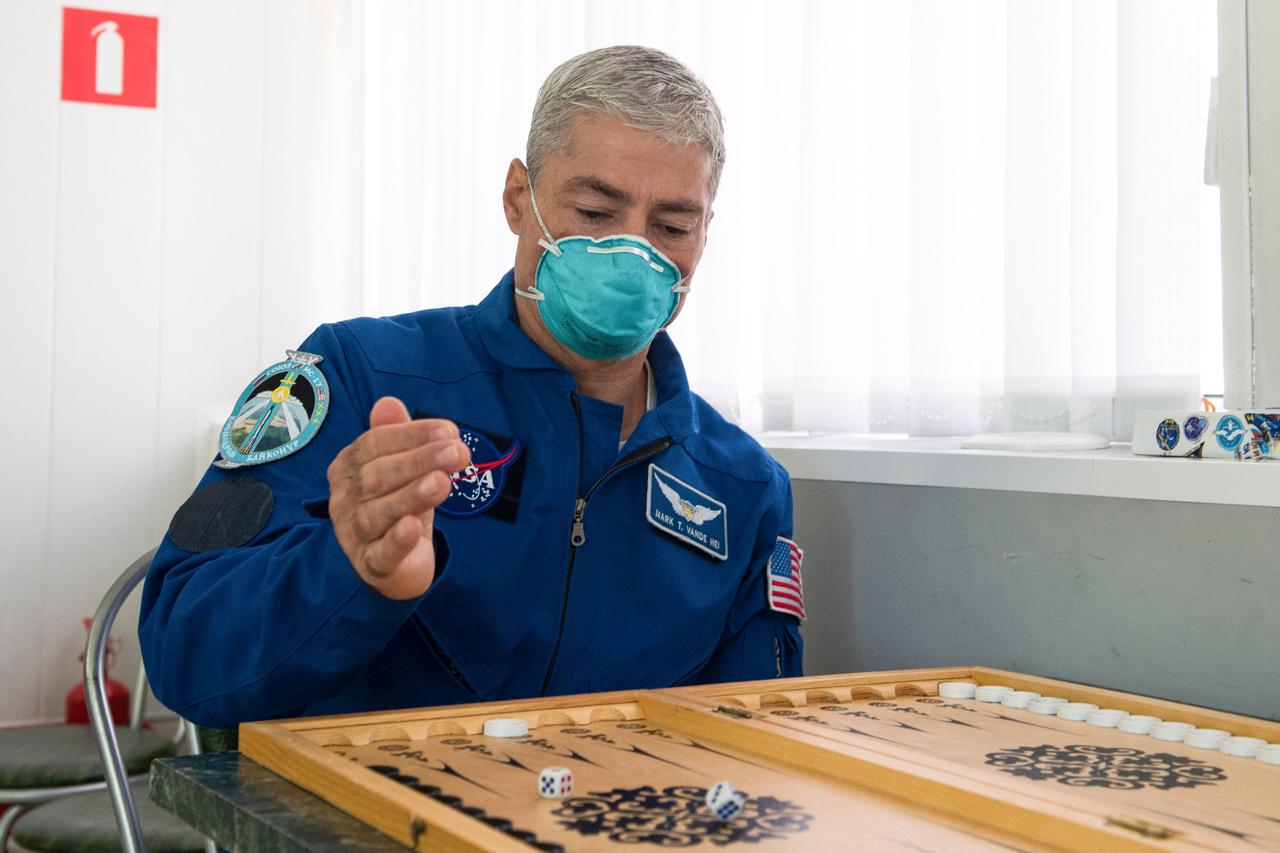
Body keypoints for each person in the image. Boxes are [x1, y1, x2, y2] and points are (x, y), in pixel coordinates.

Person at [140, 45, 805, 729]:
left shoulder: (746, 486)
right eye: (596, 212)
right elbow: (182, 649)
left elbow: (750, 736)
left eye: (670, 226)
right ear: (520, 198)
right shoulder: (357, 377)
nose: (633, 251)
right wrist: (349, 573)